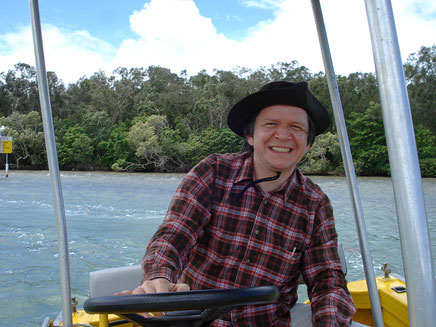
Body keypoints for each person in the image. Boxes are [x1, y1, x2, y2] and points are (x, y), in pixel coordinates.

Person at [123, 81, 361, 326]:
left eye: (296, 127)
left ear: (308, 143)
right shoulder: (213, 172)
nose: (283, 135)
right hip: (195, 319)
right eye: (271, 124)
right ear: (250, 135)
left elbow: (327, 281)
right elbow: (174, 235)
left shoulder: (315, 204)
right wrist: (159, 276)